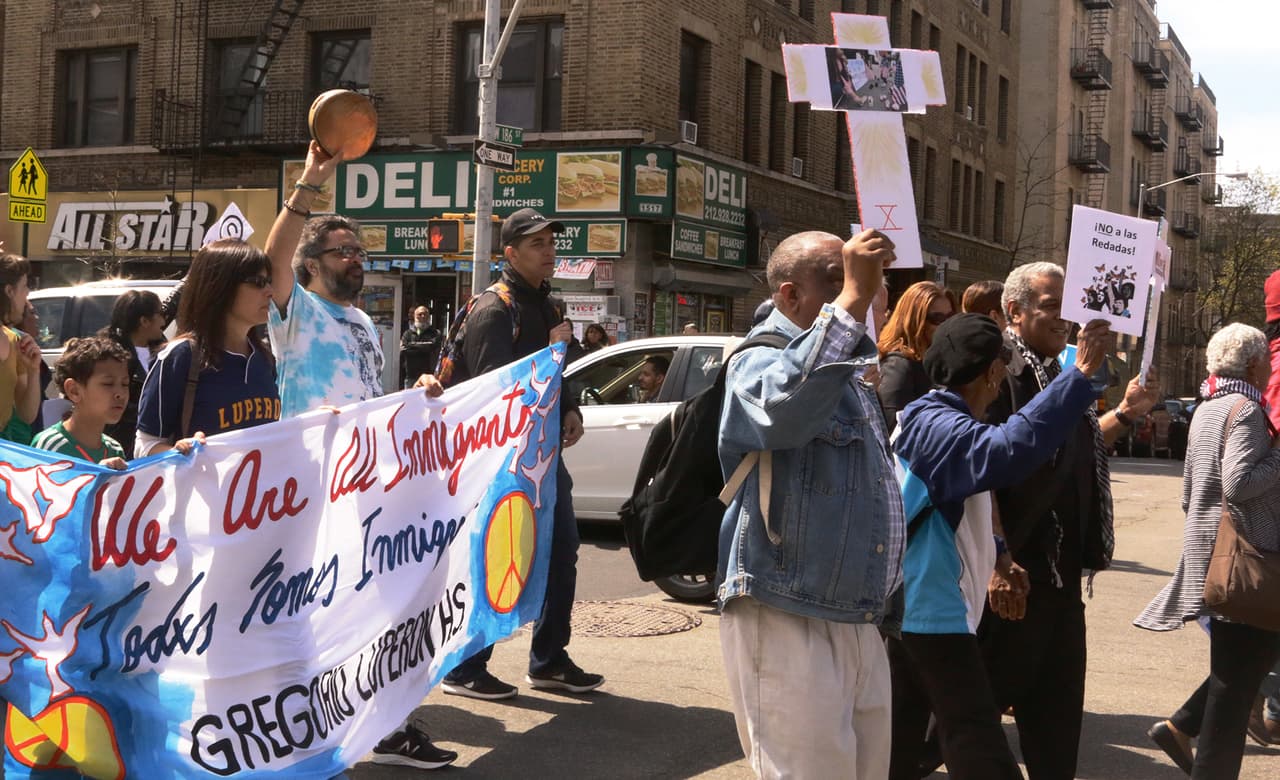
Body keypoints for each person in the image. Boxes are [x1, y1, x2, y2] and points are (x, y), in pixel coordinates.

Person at [265, 140, 455, 771]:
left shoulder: (367, 324)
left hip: (369, 488)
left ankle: (385, 722)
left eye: (360, 252)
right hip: (314, 491)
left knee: (382, 607)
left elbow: (367, 399)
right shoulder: (293, 314)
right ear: (310, 265)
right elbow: (271, 262)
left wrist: (416, 396)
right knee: (329, 615)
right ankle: (324, 726)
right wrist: (312, 181)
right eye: (344, 251)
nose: (357, 261)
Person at [887, 313, 1111, 780]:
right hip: (930, 605)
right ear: (991, 372)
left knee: (903, 738)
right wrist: (1079, 377)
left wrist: (999, 554)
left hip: (922, 604)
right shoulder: (937, 424)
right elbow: (1008, 451)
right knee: (974, 734)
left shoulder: (941, 419)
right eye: (999, 372)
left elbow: (963, 494)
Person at [717, 228, 899, 778]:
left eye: (866, 278)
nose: (861, 289)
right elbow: (782, 411)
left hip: (858, 613)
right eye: (837, 278)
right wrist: (851, 306)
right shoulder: (758, 360)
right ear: (790, 296)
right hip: (787, 606)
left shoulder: (850, 369)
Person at [978, 261, 1161, 779]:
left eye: (1069, 305)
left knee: (1056, 728)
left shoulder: (1060, 372)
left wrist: (1124, 413)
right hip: (1014, 580)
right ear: (1015, 312)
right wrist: (998, 555)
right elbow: (985, 469)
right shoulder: (1002, 372)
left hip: (1060, 580)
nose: (1066, 318)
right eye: (1052, 306)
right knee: (970, 722)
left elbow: (1076, 448)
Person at [437, 207, 602, 700]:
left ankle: (548, 660)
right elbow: (497, 394)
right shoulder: (496, 307)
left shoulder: (548, 304)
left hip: (543, 454)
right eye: (537, 244)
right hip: (498, 461)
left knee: (560, 550)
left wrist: (568, 405)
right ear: (510, 253)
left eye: (552, 242)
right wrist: (548, 353)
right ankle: (465, 668)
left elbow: (553, 376)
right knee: (497, 556)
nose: (549, 251)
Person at [1133, 323, 1280, 778]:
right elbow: (1238, 482)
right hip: (1244, 560)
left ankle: (1181, 730)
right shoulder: (1245, 409)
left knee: (1233, 683)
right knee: (1233, 693)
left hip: (1216, 558)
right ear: (1255, 364)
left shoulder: (1209, 407)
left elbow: (1190, 490)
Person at [134, 240, 280, 457]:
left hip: (261, 489)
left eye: (270, 281)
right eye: (258, 282)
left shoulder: (266, 359)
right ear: (221, 287)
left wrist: (319, 424)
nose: (270, 291)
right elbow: (144, 445)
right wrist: (176, 452)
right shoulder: (180, 356)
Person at [32, 337, 129, 469]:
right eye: (108, 384)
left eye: (125, 384)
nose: (120, 393)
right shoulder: (51, 446)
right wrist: (96, 476)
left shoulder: (114, 449)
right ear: (74, 391)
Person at [876, 280, 957, 433]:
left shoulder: (943, 359)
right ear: (915, 321)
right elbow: (894, 427)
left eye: (950, 318)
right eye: (938, 319)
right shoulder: (898, 365)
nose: (946, 326)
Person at [101, 289, 166, 458]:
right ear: (144, 321)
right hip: (124, 444)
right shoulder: (111, 354)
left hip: (159, 443)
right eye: (159, 313)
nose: (164, 320)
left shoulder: (166, 351)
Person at [0, 254, 44, 444]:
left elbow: (27, 414)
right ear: (10, 291)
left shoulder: (14, 340)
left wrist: (34, 370)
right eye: (25, 286)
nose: (27, 295)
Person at [20, 301, 53, 432]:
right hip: (24, 430)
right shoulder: (18, 349)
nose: (37, 318)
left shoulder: (31, 348)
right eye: (32, 313)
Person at [400, 305, 442, 389]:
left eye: (425, 314)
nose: (423, 316)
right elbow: (404, 350)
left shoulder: (435, 333)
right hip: (411, 377)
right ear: (415, 316)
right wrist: (424, 346)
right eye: (420, 314)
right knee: (410, 401)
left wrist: (411, 345)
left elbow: (431, 347)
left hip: (429, 377)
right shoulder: (407, 334)